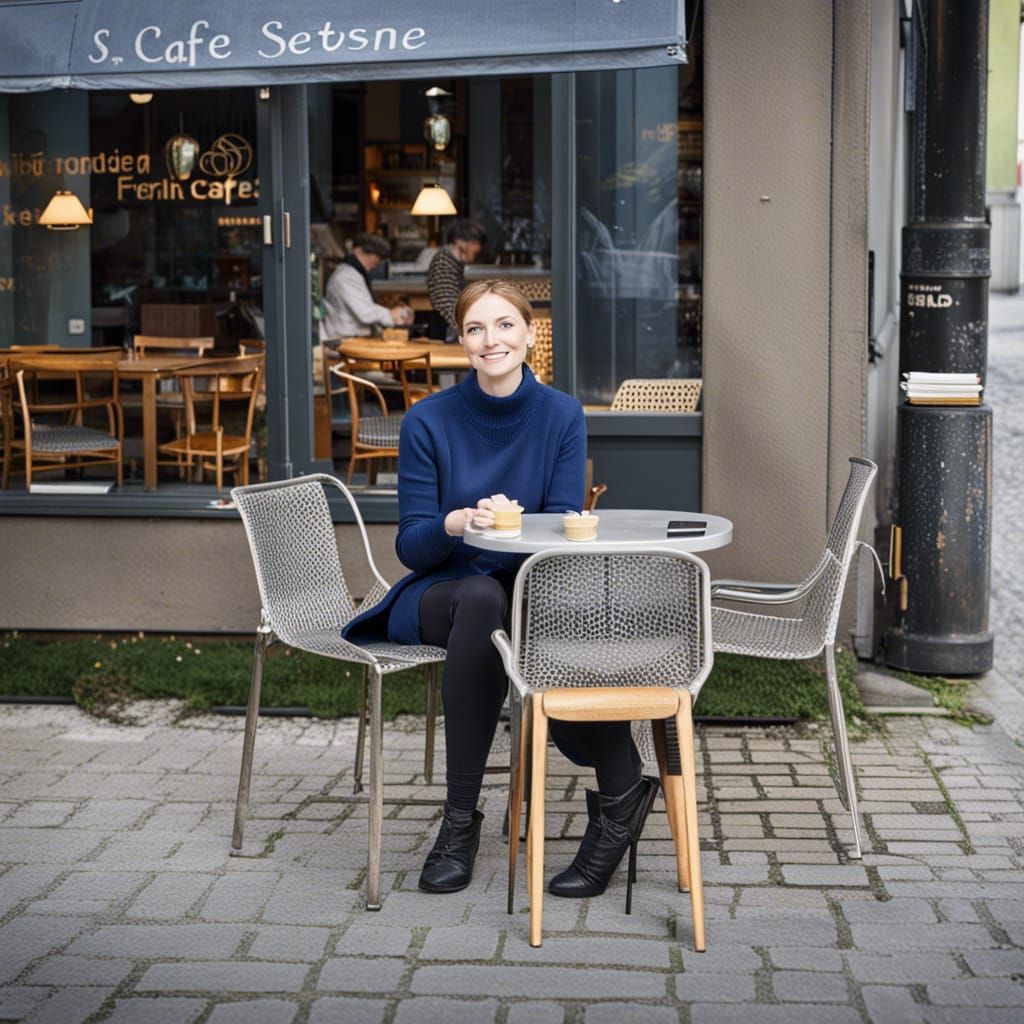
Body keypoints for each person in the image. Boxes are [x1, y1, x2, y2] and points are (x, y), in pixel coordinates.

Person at [343, 279, 658, 898]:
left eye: (506, 325)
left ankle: (620, 802)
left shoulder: (561, 415)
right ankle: (461, 823)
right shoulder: (428, 419)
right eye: (477, 329)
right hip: (442, 591)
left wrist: (524, 535)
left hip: (527, 590)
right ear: (462, 342)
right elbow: (409, 544)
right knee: (484, 604)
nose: (493, 340)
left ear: (530, 334)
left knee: (555, 640)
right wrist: (457, 523)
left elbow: (565, 520)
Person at [322, 232, 413, 338]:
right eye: (376, 257)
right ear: (358, 251)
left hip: (356, 338)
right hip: (346, 340)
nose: (376, 263)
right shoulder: (345, 276)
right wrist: (391, 314)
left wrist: (392, 318)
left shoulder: (354, 274)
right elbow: (365, 313)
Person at [426, 220, 486, 341]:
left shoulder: (455, 262)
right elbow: (447, 306)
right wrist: (470, 331)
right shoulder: (443, 262)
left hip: (453, 329)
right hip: (446, 334)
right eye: (474, 242)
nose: (478, 247)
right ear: (460, 242)